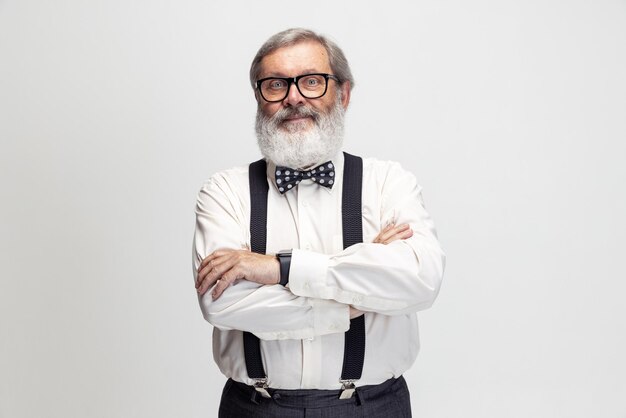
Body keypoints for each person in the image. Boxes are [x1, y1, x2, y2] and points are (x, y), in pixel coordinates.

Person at [193, 28, 445, 418]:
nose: (294, 98)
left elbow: (420, 281)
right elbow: (221, 301)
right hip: (256, 407)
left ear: (343, 94)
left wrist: (280, 268)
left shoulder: (388, 183)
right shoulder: (225, 190)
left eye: (312, 81)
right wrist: (354, 300)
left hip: (372, 406)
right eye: (276, 85)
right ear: (260, 97)